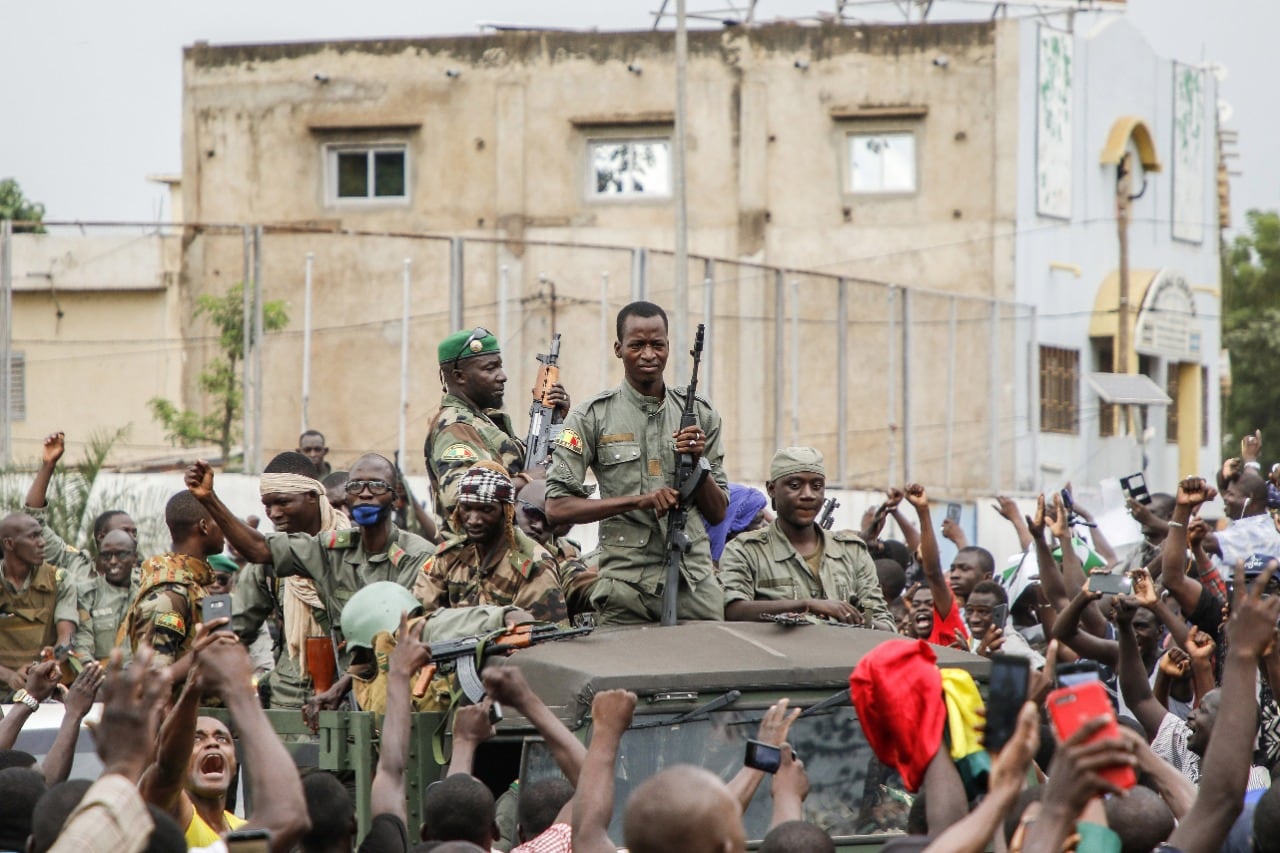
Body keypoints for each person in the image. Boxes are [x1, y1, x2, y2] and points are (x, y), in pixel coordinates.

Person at [545, 301, 729, 624]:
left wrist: (699, 464)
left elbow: (718, 512)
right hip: (625, 590)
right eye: (637, 345)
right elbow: (557, 508)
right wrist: (639, 501)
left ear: (669, 348)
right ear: (618, 349)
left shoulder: (701, 414)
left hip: (694, 587)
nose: (648, 355)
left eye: (657, 345)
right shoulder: (590, 417)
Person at [187, 454, 434, 668]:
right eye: (356, 486)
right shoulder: (331, 548)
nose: (365, 493)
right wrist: (209, 498)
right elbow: (259, 549)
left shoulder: (417, 555)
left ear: (395, 496)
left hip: (387, 686)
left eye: (377, 486)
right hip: (320, 689)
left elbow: (401, 634)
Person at [142, 630, 311, 850]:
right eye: (197, 739)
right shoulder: (174, 815)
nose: (212, 743)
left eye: (222, 739)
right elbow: (167, 768)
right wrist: (194, 685)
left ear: (234, 765)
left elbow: (286, 818)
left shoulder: (244, 828)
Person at [720, 447, 895, 630]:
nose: (808, 495)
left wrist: (856, 622)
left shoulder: (852, 551)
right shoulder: (745, 550)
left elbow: (885, 624)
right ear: (771, 489)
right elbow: (732, 610)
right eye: (795, 485)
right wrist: (807, 605)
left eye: (817, 486)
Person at [425, 328, 570, 535]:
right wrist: (526, 480)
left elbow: (530, 463)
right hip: (477, 558)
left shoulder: (482, 422)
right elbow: (461, 498)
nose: (503, 377)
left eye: (500, 367)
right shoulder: (455, 427)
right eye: (490, 368)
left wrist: (555, 422)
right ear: (459, 376)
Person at [234, 451, 346, 709]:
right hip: (289, 698)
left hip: (350, 695)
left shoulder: (350, 550)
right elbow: (238, 631)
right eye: (267, 505)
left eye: (282, 502)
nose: (273, 513)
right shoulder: (266, 564)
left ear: (311, 497)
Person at [413, 464, 575, 624]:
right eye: (467, 508)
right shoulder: (448, 556)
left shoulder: (534, 565)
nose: (474, 520)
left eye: (486, 510)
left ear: (507, 512)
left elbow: (542, 638)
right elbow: (418, 623)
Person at [118, 491, 225, 674]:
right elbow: (154, 678)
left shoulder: (191, 583)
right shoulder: (169, 594)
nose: (226, 528)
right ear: (204, 526)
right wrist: (200, 656)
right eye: (220, 521)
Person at [20, 431, 139, 580]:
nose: (132, 538)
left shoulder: (144, 579)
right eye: (125, 531)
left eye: (134, 533)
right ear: (102, 537)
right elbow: (32, 522)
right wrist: (48, 465)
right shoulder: (75, 565)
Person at [0, 513, 78, 699]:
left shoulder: (59, 580)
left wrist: (47, 667)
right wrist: (9, 675)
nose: (42, 542)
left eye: (41, 535)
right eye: (33, 537)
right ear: (9, 544)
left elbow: (66, 637)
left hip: (45, 690)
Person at [72, 528, 136, 663]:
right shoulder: (87, 595)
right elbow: (82, 642)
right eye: (106, 556)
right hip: (101, 677)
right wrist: (91, 672)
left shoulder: (147, 593)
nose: (112, 561)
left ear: (134, 558)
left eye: (121, 555)